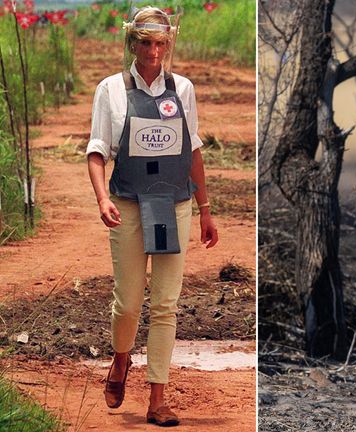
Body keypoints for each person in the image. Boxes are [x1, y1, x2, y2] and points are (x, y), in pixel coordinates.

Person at [86, 6, 219, 427]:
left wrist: (205, 209)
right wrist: (101, 198)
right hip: (126, 203)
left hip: (172, 205)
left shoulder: (183, 89)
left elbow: (192, 151)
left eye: (161, 43)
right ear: (132, 43)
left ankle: (158, 398)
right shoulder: (110, 89)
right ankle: (121, 359)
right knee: (128, 302)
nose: (154, 51)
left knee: (165, 304)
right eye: (146, 42)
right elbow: (96, 151)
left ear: (169, 44)